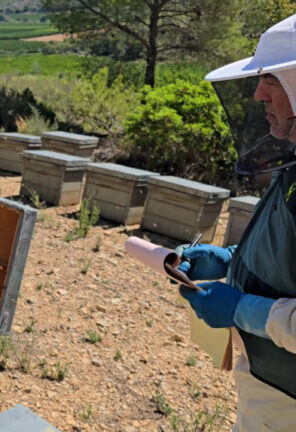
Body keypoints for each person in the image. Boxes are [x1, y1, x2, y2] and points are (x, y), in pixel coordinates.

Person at [178, 13, 296, 432]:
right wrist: (231, 261)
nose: (258, 94)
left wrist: (244, 309)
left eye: (273, 79)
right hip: (270, 387)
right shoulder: (293, 165)